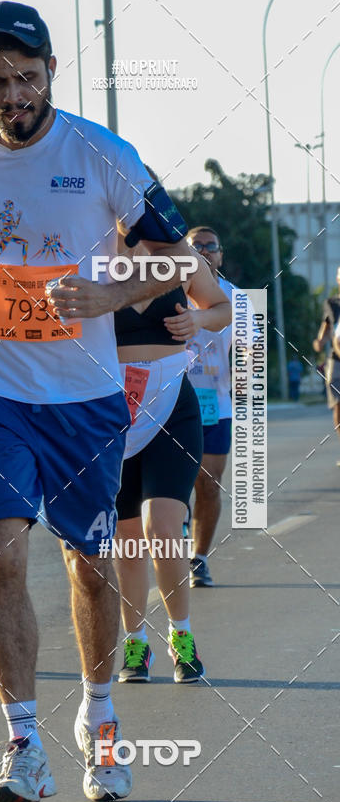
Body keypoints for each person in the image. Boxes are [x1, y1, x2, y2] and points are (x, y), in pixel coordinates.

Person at [0, 1, 201, 802]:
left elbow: (174, 257)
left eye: (26, 78)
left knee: (88, 568)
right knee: (0, 550)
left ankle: (100, 717)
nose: (12, 96)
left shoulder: (100, 153)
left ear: (51, 74)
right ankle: (22, 745)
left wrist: (106, 289)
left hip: (85, 397)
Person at [113, 234, 231, 684]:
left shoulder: (177, 256)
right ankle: (136, 643)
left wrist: (198, 319)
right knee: (125, 537)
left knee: (162, 528)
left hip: (170, 408)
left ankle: (181, 636)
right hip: (111, 412)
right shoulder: (93, 251)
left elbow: (221, 308)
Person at [184, 226, 237, 587]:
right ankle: (173, 547)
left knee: (209, 484)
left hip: (217, 405)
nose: (203, 251)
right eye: (195, 246)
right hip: (172, 404)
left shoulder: (237, 298)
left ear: (220, 255)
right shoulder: (168, 292)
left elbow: (249, 359)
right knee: (171, 487)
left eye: (210, 246)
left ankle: (199, 558)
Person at [313, 265, 340, 462]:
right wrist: (319, 342)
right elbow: (326, 327)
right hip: (336, 360)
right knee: (338, 405)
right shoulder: (332, 303)